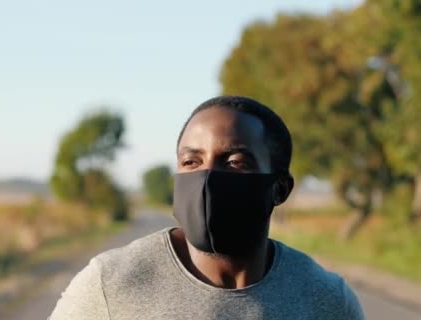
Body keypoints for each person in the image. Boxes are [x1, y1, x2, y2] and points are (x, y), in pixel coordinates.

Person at [48, 95, 365, 319]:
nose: (207, 178)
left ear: (279, 188)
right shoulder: (111, 284)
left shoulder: (326, 299)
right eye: (191, 161)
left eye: (235, 162)